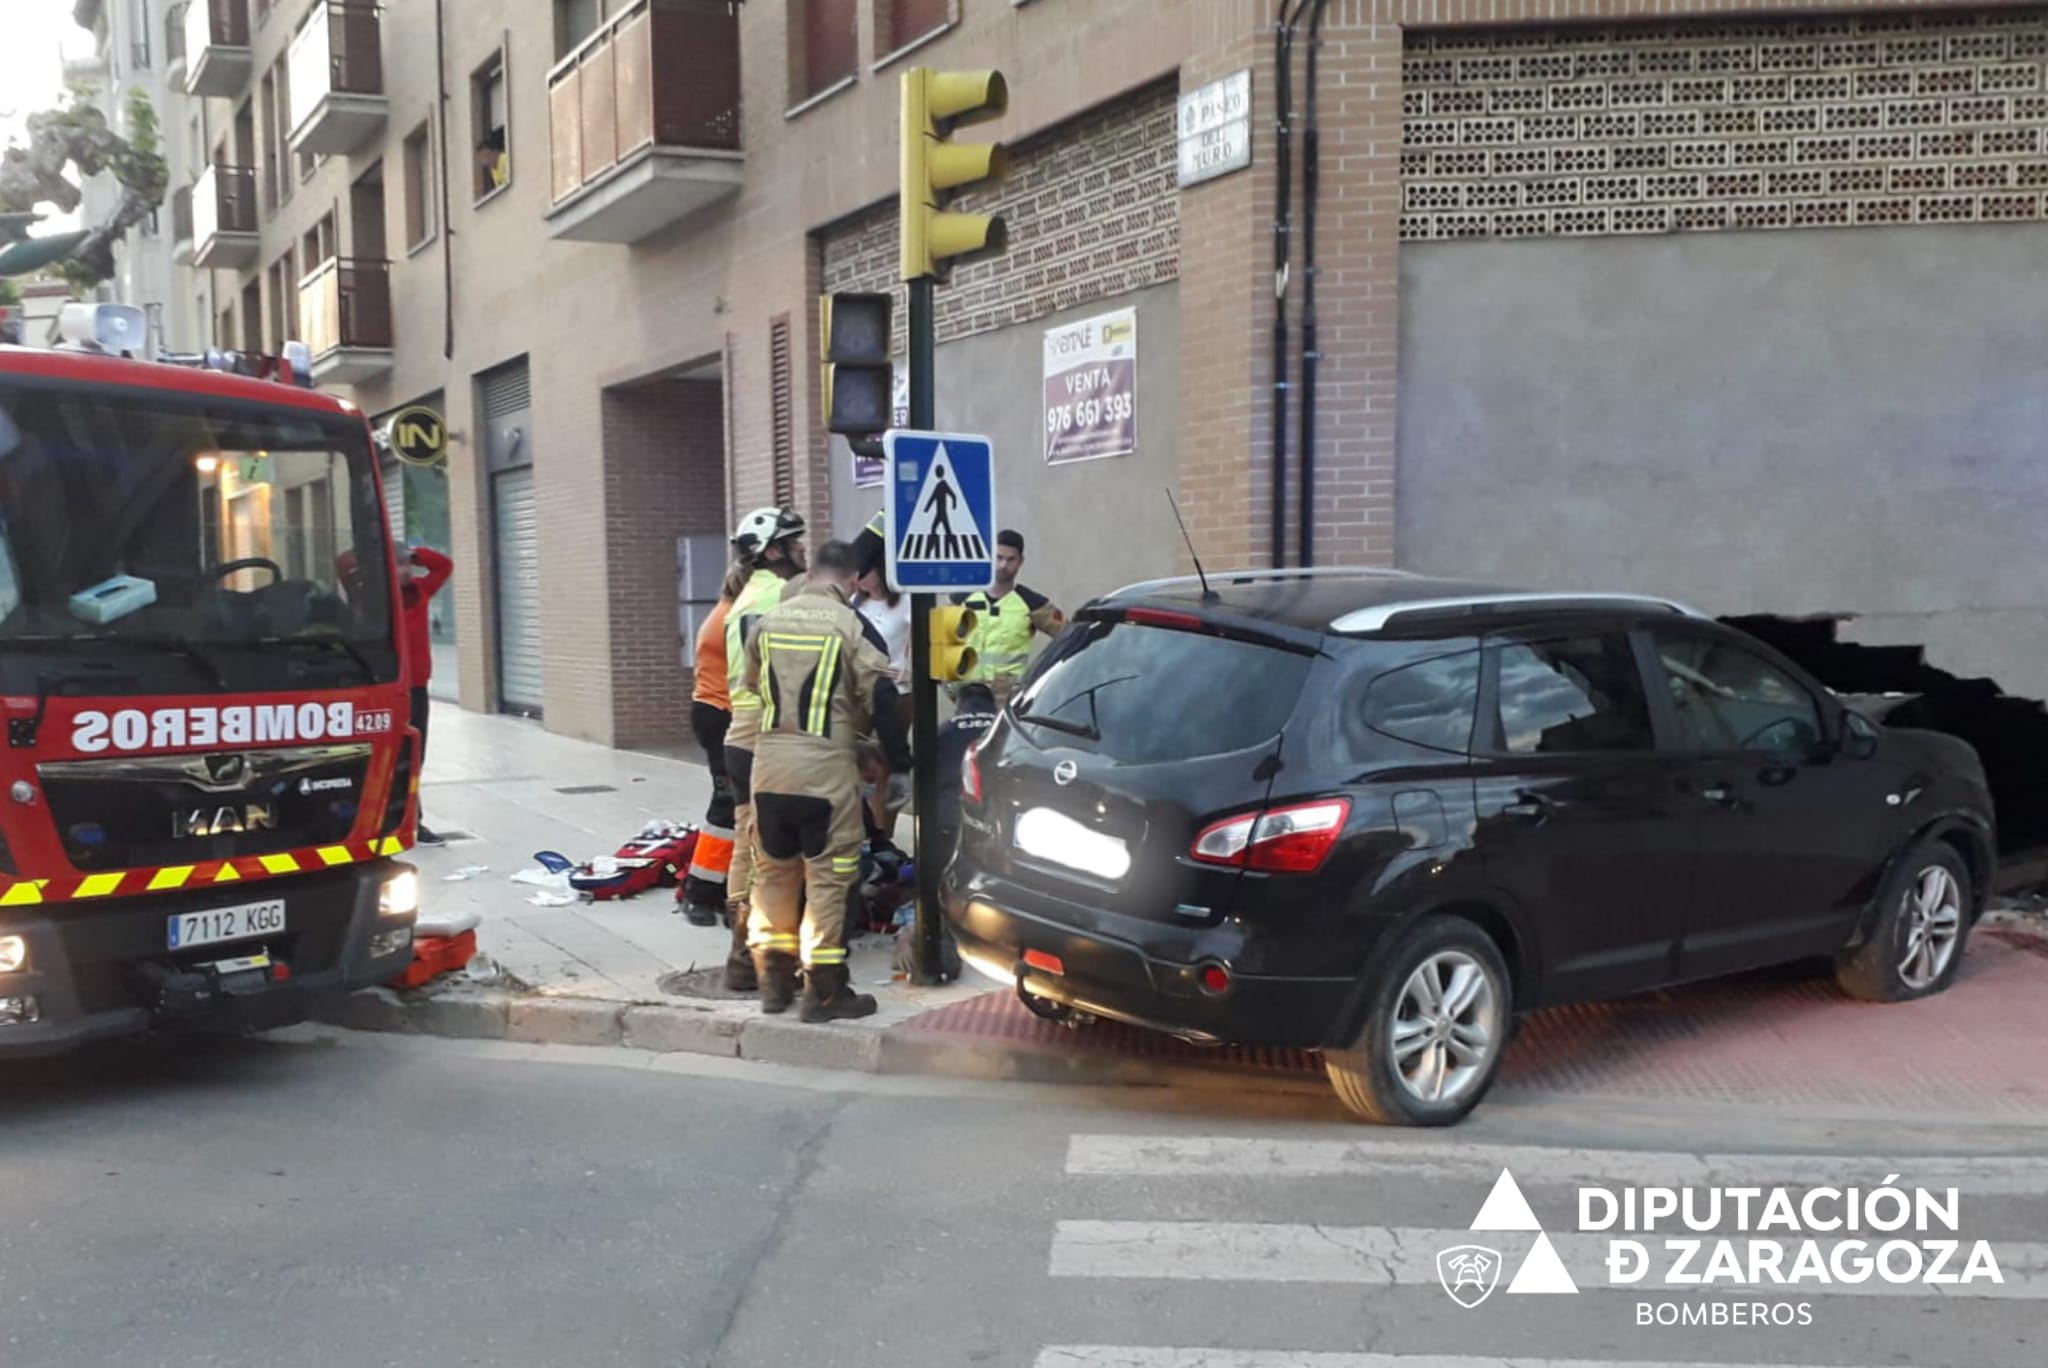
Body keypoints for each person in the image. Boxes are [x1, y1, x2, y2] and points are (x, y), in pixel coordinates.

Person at [742, 538, 911, 1022]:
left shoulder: (768, 621)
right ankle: (826, 993)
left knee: (773, 874)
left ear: (812, 573)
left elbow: (755, 687)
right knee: (829, 882)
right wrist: (897, 762)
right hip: (824, 776)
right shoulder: (849, 625)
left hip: (769, 771)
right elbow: (881, 695)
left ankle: (774, 985)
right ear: (853, 581)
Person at [719, 506, 809, 992]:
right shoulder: (779, 591)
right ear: (773, 551)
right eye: (796, 543)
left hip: (741, 733)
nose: (803, 551)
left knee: (745, 845)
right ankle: (758, 957)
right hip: (763, 735)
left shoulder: (746, 596)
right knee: (768, 853)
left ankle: (741, 958)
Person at [678, 562, 751, 926]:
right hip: (720, 713)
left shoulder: (723, 611)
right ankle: (700, 892)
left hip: (714, 712)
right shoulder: (734, 617)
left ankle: (718, 888)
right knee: (726, 805)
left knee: (734, 804)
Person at [953, 529, 1065, 706]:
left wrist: (1042, 678)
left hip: (1009, 702)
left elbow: (1069, 636)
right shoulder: (962, 599)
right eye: (998, 557)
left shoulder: (1032, 604)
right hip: (968, 698)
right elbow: (939, 642)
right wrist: (949, 684)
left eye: (1010, 559)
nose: (1003, 565)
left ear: (1020, 562)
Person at [398, 542, 454, 846]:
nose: (404, 570)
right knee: (394, 758)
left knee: (415, 759)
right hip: (391, 691)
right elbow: (344, 564)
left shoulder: (420, 591)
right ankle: (393, 820)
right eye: (397, 565)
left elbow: (444, 565)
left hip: (418, 689)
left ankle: (414, 822)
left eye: (407, 565)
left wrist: (414, 552)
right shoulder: (376, 596)